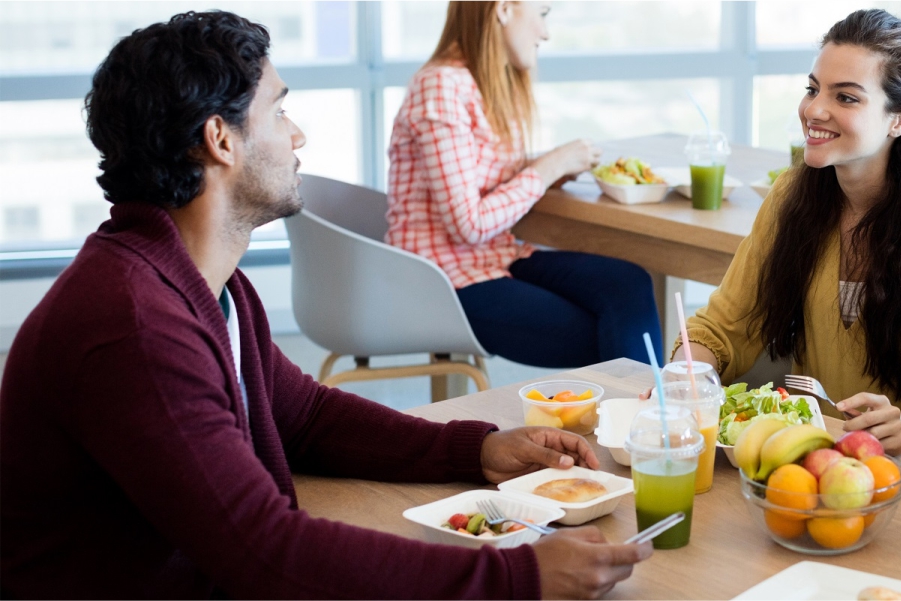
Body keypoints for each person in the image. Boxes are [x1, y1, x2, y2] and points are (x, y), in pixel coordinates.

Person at [0, 12, 649, 599]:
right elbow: (263, 551)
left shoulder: (203, 284)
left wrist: (477, 449)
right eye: (280, 113)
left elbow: (302, 416)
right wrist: (518, 575)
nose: (298, 133)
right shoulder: (134, 323)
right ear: (220, 140)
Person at [673, 9, 901, 455]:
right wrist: (685, 378)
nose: (814, 110)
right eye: (813, 90)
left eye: (846, 98)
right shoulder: (792, 193)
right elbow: (720, 328)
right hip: (814, 456)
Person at [387, 1, 662, 368]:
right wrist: (549, 167)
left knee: (628, 284)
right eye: (543, 13)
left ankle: (643, 418)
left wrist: (546, 167)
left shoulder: (484, 84)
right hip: (444, 282)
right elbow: (468, 224)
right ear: (502, 10)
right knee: (612, 334)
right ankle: (646, 419)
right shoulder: (441, 85)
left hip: (495, 258)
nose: (545, 33)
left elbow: (476, 174)